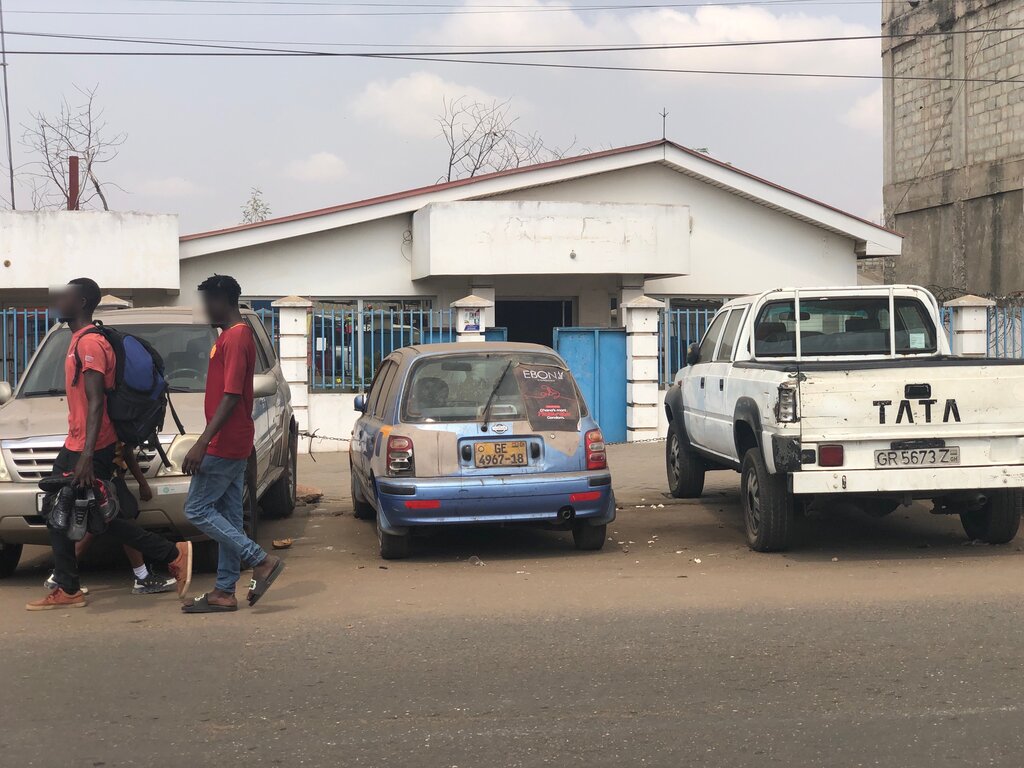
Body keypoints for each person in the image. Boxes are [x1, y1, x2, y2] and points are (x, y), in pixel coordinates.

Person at [27, 278, 192, 611]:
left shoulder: (90, 344)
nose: (60, 301)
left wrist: (87, 455)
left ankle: (172, 553)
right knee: (74, 511)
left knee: (86, 513)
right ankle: (70, 585)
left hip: (90, 447)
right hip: (79, 443)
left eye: (67, 297)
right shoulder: (77, 340)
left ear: (84, 301)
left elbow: (96, 400)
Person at [181, 275, 284, 614]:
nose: (204, 307)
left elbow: (230, 396)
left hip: (224, 442)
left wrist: (202, 442)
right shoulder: (228, 337)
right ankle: (224, 591)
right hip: (232, 439)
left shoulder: (237, 337)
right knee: (228, 516)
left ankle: (260, 560)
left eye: (208, 299)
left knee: (196, 509)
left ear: (223, 299)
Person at [42, 442, 177, 595]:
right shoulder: (108, 427)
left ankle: (60, 575)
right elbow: (126, 452)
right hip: (100, 471)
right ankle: (146, 573)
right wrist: (142, 482)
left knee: (101, 521)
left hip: (102, 470)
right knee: (108, 519)